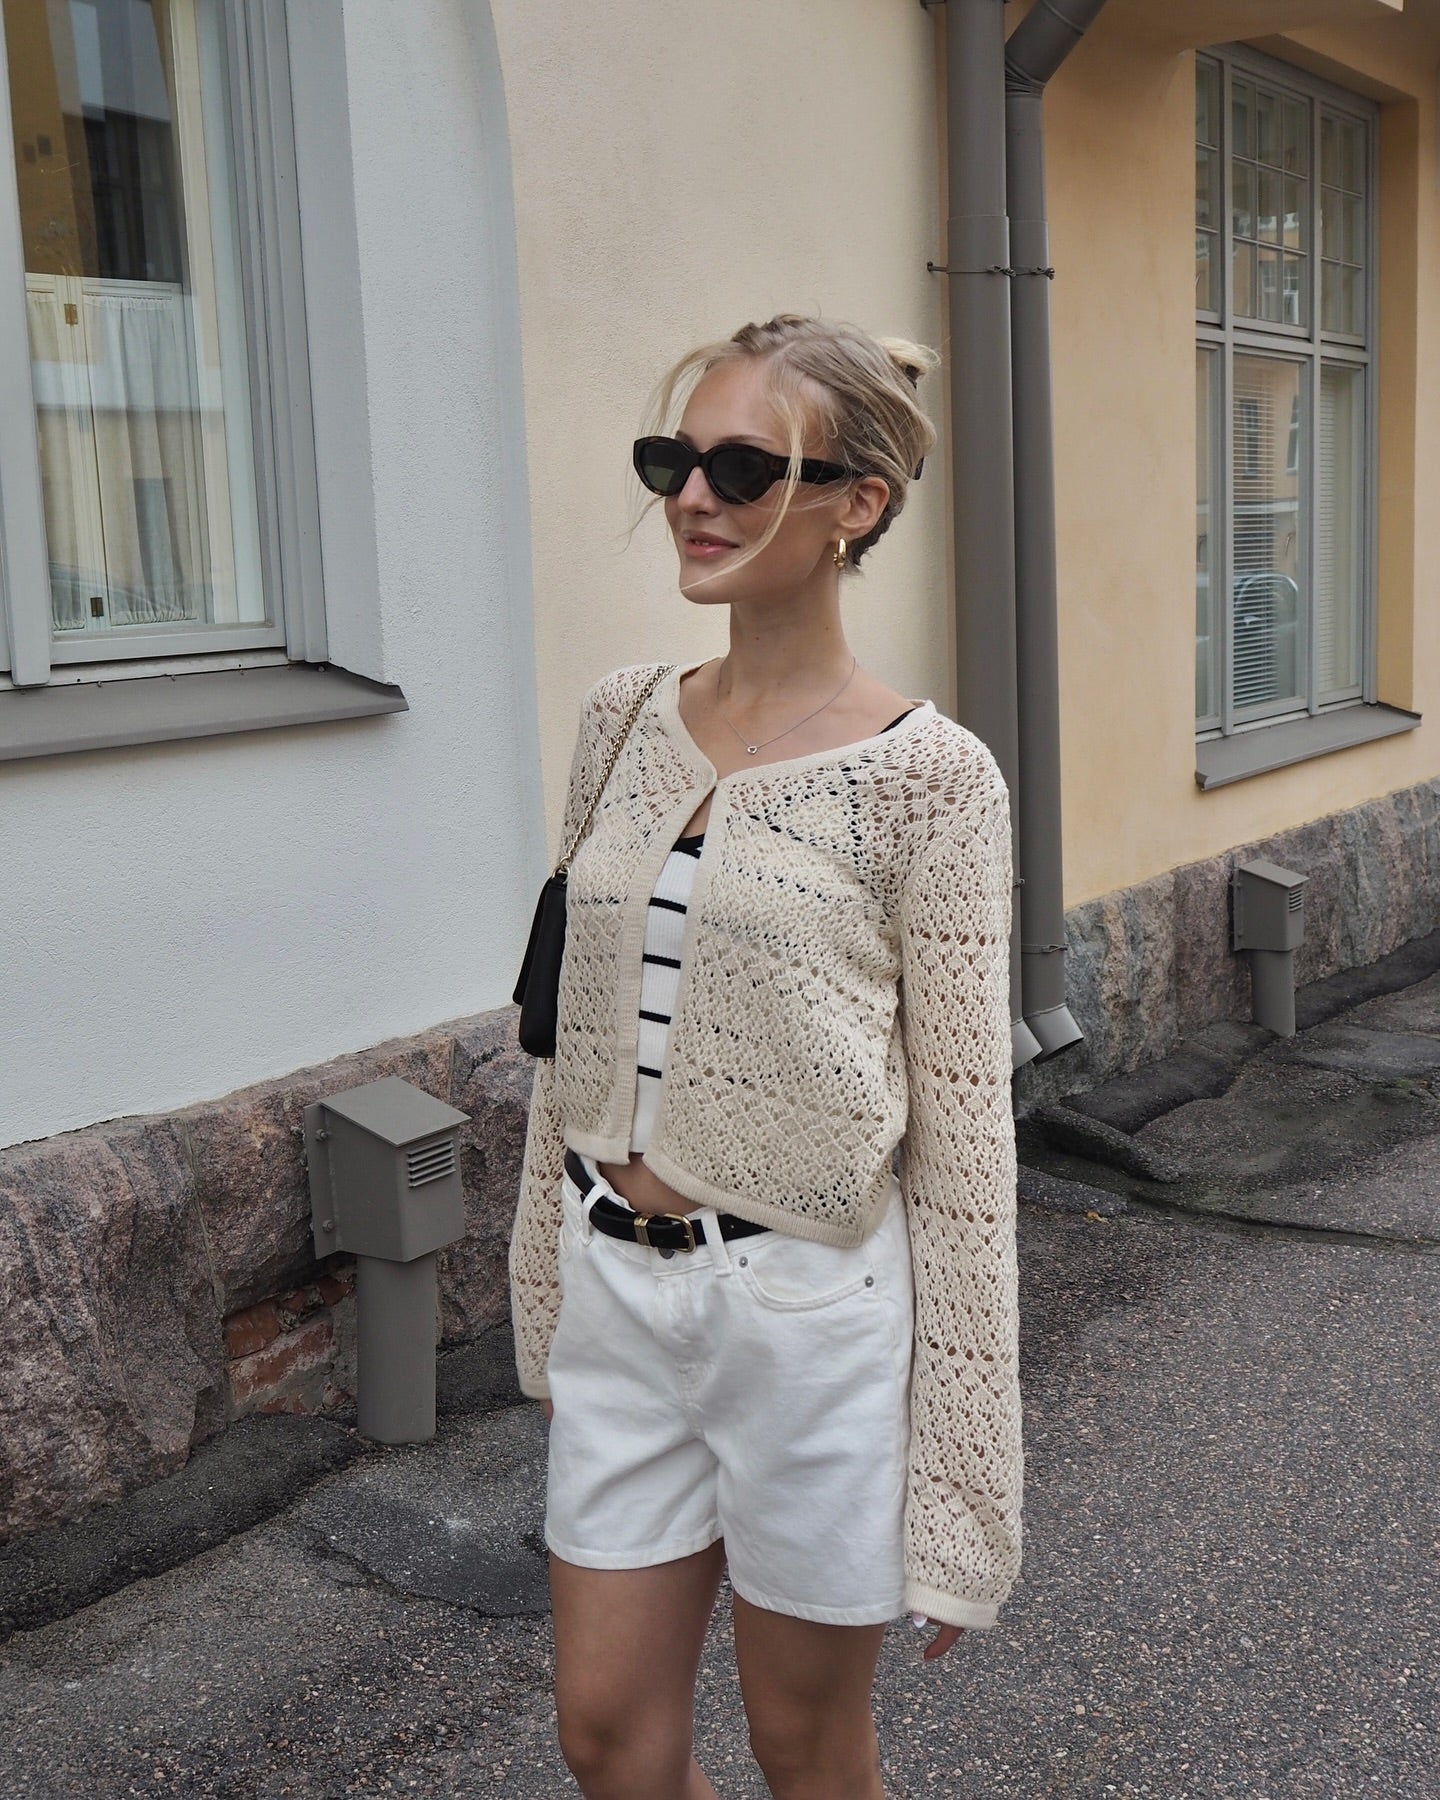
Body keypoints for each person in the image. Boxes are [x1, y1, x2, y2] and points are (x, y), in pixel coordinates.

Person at [508, 313, 1022, 1800]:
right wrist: (545, 1285)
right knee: (608, 1737)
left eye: (743, 467)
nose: (693, 497)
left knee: (805, 1748)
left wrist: (964, 1484)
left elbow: (966, 1141)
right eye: (673, 460)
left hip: (806, 1313)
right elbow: (568, 1030)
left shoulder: (931, 779)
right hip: (618, 1287)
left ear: (857, 502)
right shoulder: (622, 720)